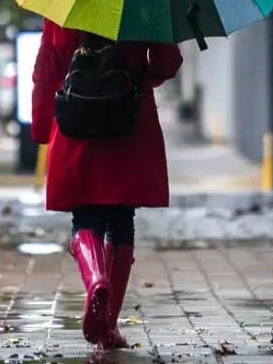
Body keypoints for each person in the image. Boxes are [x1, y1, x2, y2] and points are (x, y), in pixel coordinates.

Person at [30, 19, 183, 349]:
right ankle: (108, 323)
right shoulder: (142, 1)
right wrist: (141, 75)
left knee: (84, 217)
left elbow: (46, 67)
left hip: (75, 121)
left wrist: (42, 124)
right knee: (121, 220)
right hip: (128, 120)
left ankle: (95, 279)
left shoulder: (65, 5)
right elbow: (167, 63)